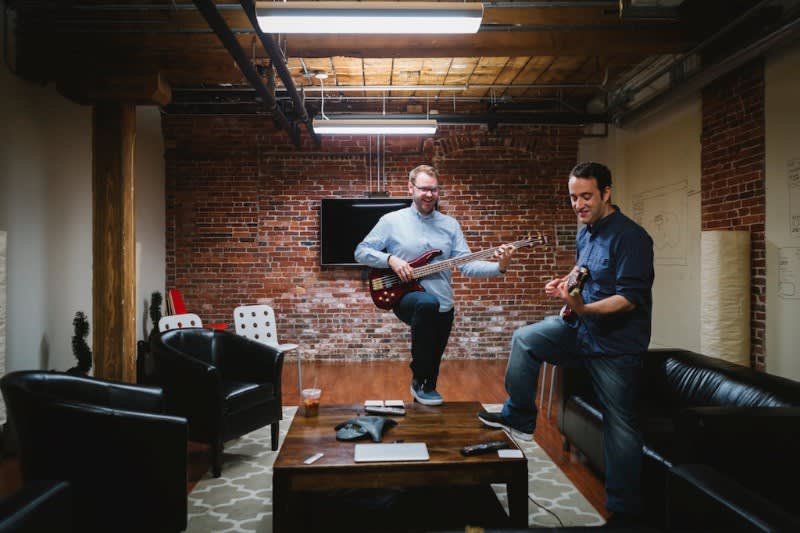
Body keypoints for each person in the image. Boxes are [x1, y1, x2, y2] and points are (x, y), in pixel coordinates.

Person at [477, 161, 654, 523]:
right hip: (579, 330)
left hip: (615, 347)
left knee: (620, 426)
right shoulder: (586, 232)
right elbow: (585, 273)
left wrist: (584, 305)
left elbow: (629, 297)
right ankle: (519, 415)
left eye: (586, 196)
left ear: (607, 192)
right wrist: (565, 283)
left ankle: (625, 514)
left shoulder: (632, 237)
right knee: (525, 339)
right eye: (573, 197)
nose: (578, 205)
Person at [355, 164, 516, 406]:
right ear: (411, 188)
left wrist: (500, 267)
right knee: (426, 305)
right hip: (405, 295)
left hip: (443, 301)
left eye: (434, 190)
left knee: (433, 357)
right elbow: (361, 252)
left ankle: (426, 392)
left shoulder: (450, 225)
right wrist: (390, 259)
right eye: (423, 189)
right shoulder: (391, 221)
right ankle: (419, 378)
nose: (429, 195)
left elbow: (466, 265)